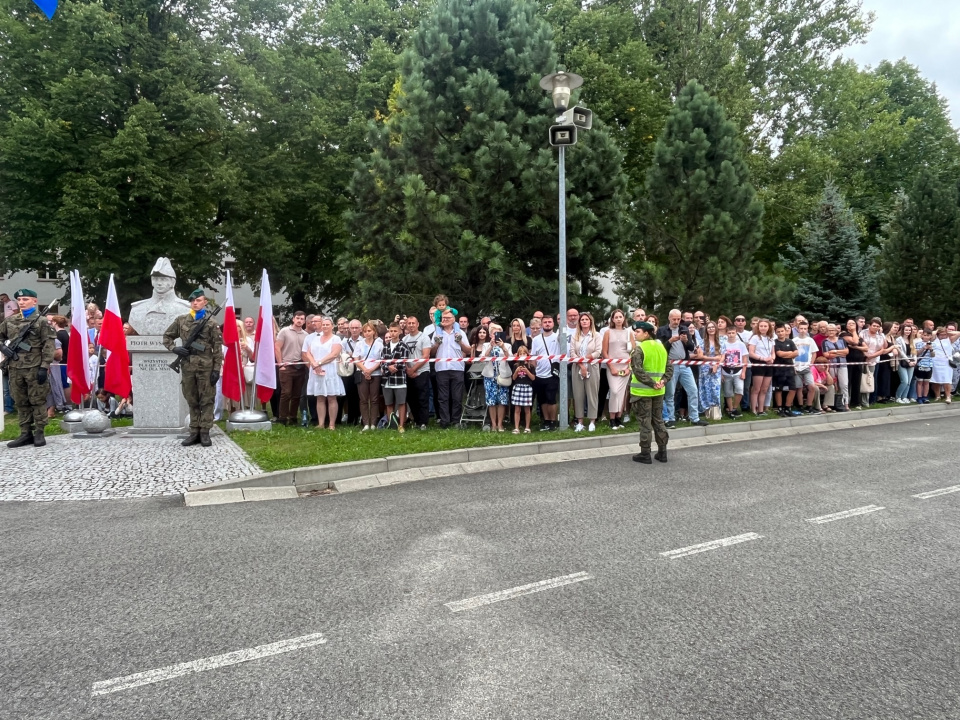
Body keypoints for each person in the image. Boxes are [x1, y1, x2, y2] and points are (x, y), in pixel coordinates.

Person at [162, 289, 223, 447]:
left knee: (207, 400)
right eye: (193, 301)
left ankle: (205, 432)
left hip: (206, 366)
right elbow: (167, 336)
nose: (195, 303)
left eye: (198, 300)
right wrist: (174, 349)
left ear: (205, 302)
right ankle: (194, 431)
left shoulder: (211, 323)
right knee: (191, 399)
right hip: (188, 366)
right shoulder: (181, 320)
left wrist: (216, 369)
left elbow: (217, 349)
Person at [0, 290, 56, 447]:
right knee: (21, 401)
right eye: (19, 299)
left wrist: (44, 367)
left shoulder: (42, 321)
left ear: (35, 301)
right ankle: (25, 433)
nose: (21, 302)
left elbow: (48, 345)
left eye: (25, 299)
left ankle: (39, 432)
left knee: (37, 400)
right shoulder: (10, 321)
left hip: (35, 367)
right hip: (15, 367)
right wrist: (4, 348)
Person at [628, 322, 674, 464]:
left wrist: (651, 383)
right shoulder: (661, 347)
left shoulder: (639, 349)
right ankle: (662, 452)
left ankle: (645, 453)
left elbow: (638, 371)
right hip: (659, 392)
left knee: (645, 423)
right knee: (658, 421)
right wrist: (662, 382)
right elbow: (669, 369)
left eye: (638, 331)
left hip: (642, 392)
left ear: (646, 333)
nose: (635, 334)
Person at [657, 309, 707, 428]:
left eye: (678, 319)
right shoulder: (662, 330)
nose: (676, 321)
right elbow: (659, 349)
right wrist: (669, 341)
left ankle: (694, 418)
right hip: (670, 365)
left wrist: (686, 341)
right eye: (674, 319)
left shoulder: (683, 329)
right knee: (670, 393)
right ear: (669, 318)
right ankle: (670, 418)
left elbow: (691, 347)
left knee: (693, 390)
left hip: (684, 364)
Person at [302, 316, 344, 430]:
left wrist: (319, 362)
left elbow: (333, 354)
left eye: (327, 325)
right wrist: (313, 364)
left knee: (331, 397)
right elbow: (308, 353)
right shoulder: (316, 339)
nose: (325, 326)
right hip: (316, 370)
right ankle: (321, 424)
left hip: (329, 370)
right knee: (319, 397)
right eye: (324, 324)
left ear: (332, 326)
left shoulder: (336, 339)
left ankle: (331, 424)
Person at [432, 308, 470, 428]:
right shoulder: (437, 332)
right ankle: (444, 421)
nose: (445, 320)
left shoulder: (460, 333)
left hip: (457, 368)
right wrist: (437, 343)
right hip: (441, 368)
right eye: (443, 318)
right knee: (443, 397)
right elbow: (431, 352)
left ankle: (456, 421)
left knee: (457, 396)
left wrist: (460, 342)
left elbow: (468, 350)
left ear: (453, 320)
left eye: (448, 318)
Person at [273, 311, 308, 425]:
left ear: (304, 321)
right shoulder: (284, 331)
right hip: (286, 366)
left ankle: (293, 417)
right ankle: (282, 417)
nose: (299, 320)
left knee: (297, 394)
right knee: (286, 393)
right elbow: (277, 347)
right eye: (297, 318)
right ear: (293, 319)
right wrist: (281, 364)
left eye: (302, 319)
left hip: (300, 366)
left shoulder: (306, 335)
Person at [570, 311, 602, 432]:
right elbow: (572, 352)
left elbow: (598, 351)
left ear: (590, 322)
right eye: (582, 320)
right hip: (577, 367)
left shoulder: (596, 335)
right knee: (578, 395)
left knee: (592, 394)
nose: (584, 321)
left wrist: (587, 361)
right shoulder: (575, 336)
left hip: (592, 366)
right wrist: (581, 365)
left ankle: (592, 421)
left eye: (586, 320)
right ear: (579, 322)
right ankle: (580, 422)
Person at [603, 309, 634, 429]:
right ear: (612, 319)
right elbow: (604, 352)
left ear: (624, 318)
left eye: (620, 317)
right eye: (616, 317)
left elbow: (633, 352)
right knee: (614, 391)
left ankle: (618, 418)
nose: (618, 319)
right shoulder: (608, 332)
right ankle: (611, 418)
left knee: (622, 393)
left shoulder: (628, 333)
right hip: (613, 367)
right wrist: (611, 366)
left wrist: (629, 368)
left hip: (625, 366)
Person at [476, 324, 510, 432]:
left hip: (502, 375)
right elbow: (483, 359)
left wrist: (503, 347)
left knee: (502, 400)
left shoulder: (507, 345)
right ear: (490, 334)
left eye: (498, 332)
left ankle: (500, 424)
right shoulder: (486, 345)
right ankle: (493, 424)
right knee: (491, 401)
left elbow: (510, 358)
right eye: (494, 333)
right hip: (490, 376)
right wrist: (490, 347)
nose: (495, 335)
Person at [530, 314, 561, 431]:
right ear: (542, 324)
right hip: (539, 374)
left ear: (553, 324)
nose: (547, 324)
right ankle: (546, 421)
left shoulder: (557, 337)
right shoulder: (536, 339)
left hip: (552, 373)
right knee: (542, 400)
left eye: (549, 322)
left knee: (551, 399)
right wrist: (534, 366)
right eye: (545, 322)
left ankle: (553, 421)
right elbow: (533, 355)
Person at [402, 316, 433, 430]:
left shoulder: (424, 337)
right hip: (409, 372)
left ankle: (423, 422)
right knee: (411, 398)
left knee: (422, 397)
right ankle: (416, 420)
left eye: (413, 323)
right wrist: (408, 370)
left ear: (417, 324)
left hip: (422, 371)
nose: (411, 325)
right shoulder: (404, 339)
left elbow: (425, 356)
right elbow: (402, 357)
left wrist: (414, 369)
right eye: (409, 323)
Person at [352, 322, 383, 430]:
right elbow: (356, 359)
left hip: (376, 373)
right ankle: (365, 423)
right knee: (363, 399)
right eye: (365, 331)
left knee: (374, 399)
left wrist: (371, 370)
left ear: (374, 332)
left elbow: (381, 360)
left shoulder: (379, 344)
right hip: (362, 373)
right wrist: (365, 370)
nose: (367, 333)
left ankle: (373, 423)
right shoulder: (359, 344)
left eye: (369, 331)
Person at [380, 321, 410, 431]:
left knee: (401, 403)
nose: (393, 333)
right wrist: (388, 368)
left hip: (399, 379)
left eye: (395, 331)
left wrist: (393, 367)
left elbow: (403, 362)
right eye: (391, 331)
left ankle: (401, 425)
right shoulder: (385, 347)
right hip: (387, 380)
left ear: (400, 332)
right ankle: (391, 423)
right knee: (389, 403)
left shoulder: (403, 346)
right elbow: (382, 363)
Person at [747, 318, 775, 415]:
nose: (763, 328)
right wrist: (763, 359)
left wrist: (772, 359)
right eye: (761, 326)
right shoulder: (755, 338)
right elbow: (751, 353)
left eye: (765, 326)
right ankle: (753, 409)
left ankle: (761, 409)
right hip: (759, 365)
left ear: (769, 327)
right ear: (758, 327)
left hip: (769, 366)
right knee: (756, 389)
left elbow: (773, 352)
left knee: (764, 389)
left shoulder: (770, 338)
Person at [772, 322, 800, 416]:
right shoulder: (775, 342)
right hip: (779, 370)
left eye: (782, 331)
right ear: (776, 333)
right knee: (778, 390)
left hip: (790, 369)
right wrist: (790, 354)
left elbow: (796, 353)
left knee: (792, 389)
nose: (780, 333)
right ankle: (780, 408)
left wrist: (787, 354)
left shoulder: (790, 341)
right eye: (778, 331)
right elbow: (779, 354)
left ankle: (788, 408)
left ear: (785, 331)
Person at [696, 321, 722, 417]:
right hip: (704, 369)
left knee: (715, 389)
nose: (711, 329)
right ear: (706, 330)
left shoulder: (721, 341)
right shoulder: (702, 342)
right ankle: (706, 411)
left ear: (716, 328)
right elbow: (701, 356)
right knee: (705, 389)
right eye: (709, 327)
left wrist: (716, 364)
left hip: (717, 369)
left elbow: (722, 356)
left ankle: (716, 411)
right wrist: (714, 358)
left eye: (712, 327)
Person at [792, 320, 819, 413]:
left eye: (805, 329)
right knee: (798, 388)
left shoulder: (810, 340)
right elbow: (792, 354)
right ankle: (800, 406)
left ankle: (809, 405)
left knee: (811, 387)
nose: (803, 330)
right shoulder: (794, 341)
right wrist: (793, 366)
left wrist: (811, 364)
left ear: (807, 329)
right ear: (798, 329)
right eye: (801, 328)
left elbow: (814, 353)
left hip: (806, 367)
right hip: (796, 367)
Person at [721, 326, 748, 418]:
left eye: (733, 333)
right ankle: (730, 408)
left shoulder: (741, 344)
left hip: (738, 371)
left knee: (739, 390)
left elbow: (745, 358)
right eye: (729, 333)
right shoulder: (723, 344)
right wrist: (721, 373)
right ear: (726, 334)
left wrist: (743, 371)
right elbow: (720, 359)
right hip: (726, 371)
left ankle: (735, 408)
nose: (731, 335)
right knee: (728, 392)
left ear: (736, 333)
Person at [821, 324, 849, 411]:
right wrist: (841, 353)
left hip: (843, 365)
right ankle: (833, 404)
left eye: (832, 330)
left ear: (836, 331)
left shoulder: (841, 340)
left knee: (844, 385)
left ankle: (845, 404)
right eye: (829, 330)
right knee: (833, 385)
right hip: (832, 365)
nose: (831, 332)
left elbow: (847, 352)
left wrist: (834, 351)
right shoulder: (825, 342)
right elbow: (826, 355)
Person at [841, 319, 867, 408]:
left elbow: (866, 348)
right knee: (848, 382)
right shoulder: (844, 334)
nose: (851, 325)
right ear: (846, 325)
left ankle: (856, 402)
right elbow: (855, 342)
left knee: (857, 382)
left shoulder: (858, 335)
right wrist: (854, 334)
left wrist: (856, 348)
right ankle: (846, 401)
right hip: (849, 361)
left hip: (859, 361)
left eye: (853, 323)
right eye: (849, 324)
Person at [511, 345, 535, 433]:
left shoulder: (531, 366)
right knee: (517, 409)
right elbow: (513, 378)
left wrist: (527, 371)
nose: (522, 355)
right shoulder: (515, 365)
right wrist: (517, 371)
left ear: (527, 354)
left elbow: (533, 378)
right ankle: (516, 427)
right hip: (518, 387)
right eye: (520, 353)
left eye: (524, 353)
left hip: (527, 388)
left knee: (527, 409)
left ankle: (527, 427)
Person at [894, 323, 917, 404]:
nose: (908, 331)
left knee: (909, 382)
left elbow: (914, 352)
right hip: (902, 362)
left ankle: (904, 397)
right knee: (905, 381)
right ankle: (898, 397)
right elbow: (901, 352)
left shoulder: (912, 340)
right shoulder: (898, 339)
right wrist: (908, 361)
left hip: (911, 362)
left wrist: (914, 361)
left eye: (909, 330)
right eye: (906, 330)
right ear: (903, 330)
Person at [914, 328, 935, 403]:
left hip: (929, 365)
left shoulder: (933, 344)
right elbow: (917, 353)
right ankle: (919, 397)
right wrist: (924, 348)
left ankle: (925, 397)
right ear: (922, 335)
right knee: (920, 382)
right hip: (920, 364)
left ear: (930, 336)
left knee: (926, 382)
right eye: (924, 335)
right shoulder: (918, 344)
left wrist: (931, 349)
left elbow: (933, 355)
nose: (926, 337)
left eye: (928, 335)